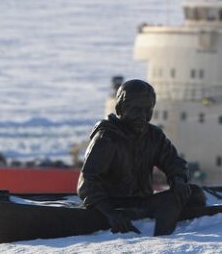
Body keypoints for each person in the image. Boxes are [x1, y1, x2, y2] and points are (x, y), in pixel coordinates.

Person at [77, 79, 204, 235]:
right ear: (121, 108)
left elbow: (173, 161)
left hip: (142, 201)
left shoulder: (153, 136)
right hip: (114, 203)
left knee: (194, 193)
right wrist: (110, 214)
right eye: (137, 110)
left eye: (148, 110)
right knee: (171, 201)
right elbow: (87, 182)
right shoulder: (107, 138)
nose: (143, 116)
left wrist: (178, 179)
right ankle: (161, 240)